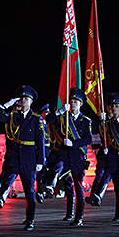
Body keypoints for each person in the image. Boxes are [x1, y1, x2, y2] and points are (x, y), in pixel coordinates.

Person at [0, 85, 45, 231]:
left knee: (29, 191)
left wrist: (40, 161)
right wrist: (7, 104)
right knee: (9, 174)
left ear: (31, 101)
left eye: (26, 98)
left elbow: (40, 141)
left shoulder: (36, 119)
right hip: (15, 156)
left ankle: (30, 220)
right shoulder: (13, 116)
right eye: (21, 98)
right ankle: (1, 196)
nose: (23, 101)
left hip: (29, 158)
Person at [86, 92, 119, 226]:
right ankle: (100, 197)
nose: (113, 108)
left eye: (116, 106)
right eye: (112, 106)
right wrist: (100, 120)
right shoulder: (107, 124)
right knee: (109, 179)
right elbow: (95, 131)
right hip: (112, 158)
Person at [43, 88, 92, 226]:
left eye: (76, 101)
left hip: (77, 155)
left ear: (81, 104)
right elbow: (49, 119)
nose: (73, 103)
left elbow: (88, 139)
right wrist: (59, 111)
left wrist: (74, 143)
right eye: (71, 101)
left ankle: (79, 217)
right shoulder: (64, 117)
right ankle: (51, 186)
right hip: (64, 153)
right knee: (57, 167)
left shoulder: (86, 121)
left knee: (77, 185)